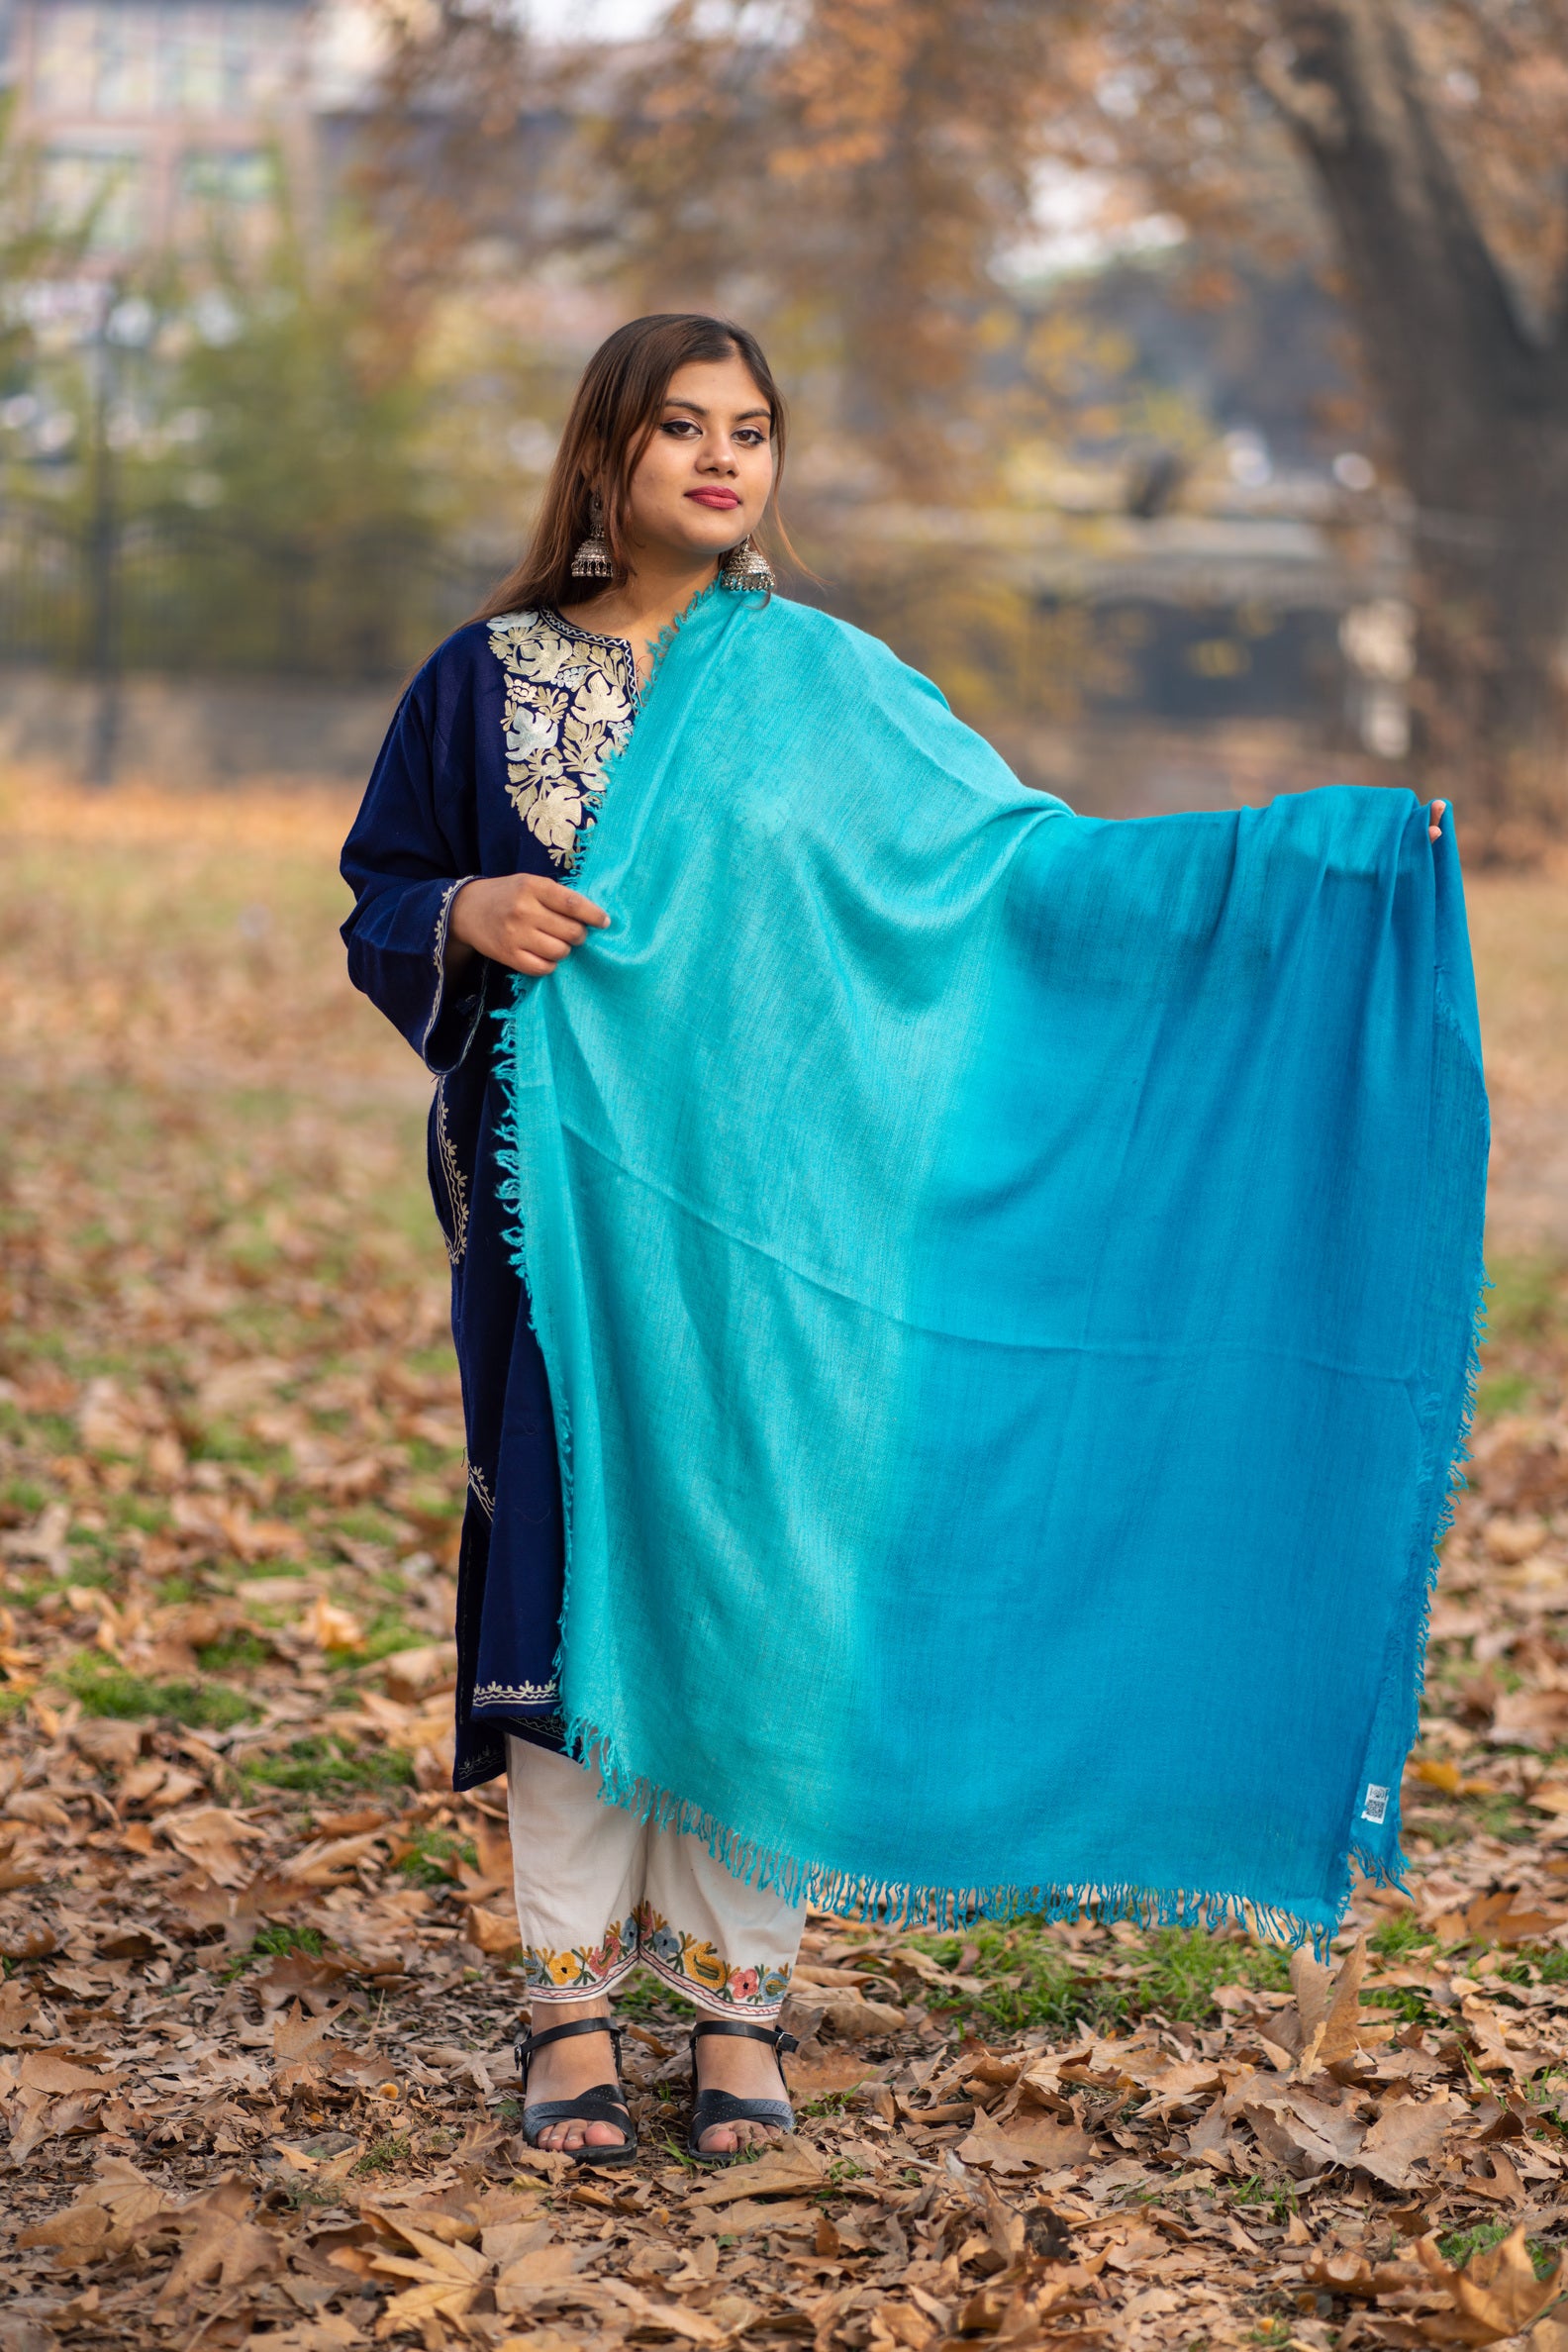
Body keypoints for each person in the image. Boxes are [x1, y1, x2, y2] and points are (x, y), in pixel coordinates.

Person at [341, 312, 1452, 2168]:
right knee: (568, 1581)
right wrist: (462, 904)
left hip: (791, 1242)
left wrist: (1303, 868)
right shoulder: (486, 678)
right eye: (681, 428)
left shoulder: (834, 687)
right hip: (573, 1239)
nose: (720, 460)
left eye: (752, 431)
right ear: (603, 454)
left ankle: (736, 2014)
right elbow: (379, 885)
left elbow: (1020, 869)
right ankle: (562, 2007)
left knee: (762, 1578)